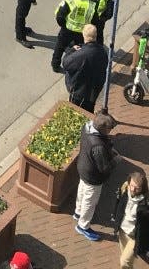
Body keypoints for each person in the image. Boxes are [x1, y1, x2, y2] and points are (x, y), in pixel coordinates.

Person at [74, 112, 117, 241]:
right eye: (110, 129)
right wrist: (115, 160)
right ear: (103, 130)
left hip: (83, 167)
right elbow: (104, 168)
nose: (111, 130)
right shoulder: (98, 145)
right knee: (90, 200)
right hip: (93, 176)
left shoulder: (86, 128)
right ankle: (83, 225)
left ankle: (78, 212)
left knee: (82, 190)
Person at [62, 23, 109, 112]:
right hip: (94, 90)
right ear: (95, 35)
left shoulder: (81, 54)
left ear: (84, 35)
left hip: (79, 92)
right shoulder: (102, 51)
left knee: (75, 111)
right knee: (89, 109)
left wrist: (71, 50)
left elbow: (66, 63)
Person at [52, 0, 96, 72]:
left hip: (67, 29)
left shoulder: (69, 1)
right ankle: (77, 66)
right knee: (80, 50)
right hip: (81, 32)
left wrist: (63, 26)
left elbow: (59, 16)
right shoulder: (91, 4)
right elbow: (93, 19)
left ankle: (55, 65)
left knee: (60, 47)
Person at [115, 169, 148, 267]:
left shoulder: (145, 202)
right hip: (122, 231)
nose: (133, 189)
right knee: (126, 260)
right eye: (132, 185)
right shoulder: (125, 190)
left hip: (135, 236)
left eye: (137, 188)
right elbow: (118, 206)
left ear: (142, 188)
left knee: (124, 262)